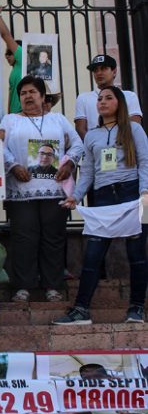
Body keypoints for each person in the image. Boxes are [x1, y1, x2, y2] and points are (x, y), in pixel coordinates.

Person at [53, 86, 148, 324]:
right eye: (99, 99)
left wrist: (145, 193)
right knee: (93, 256)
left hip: (133, 195)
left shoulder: (134, 129)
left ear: (120, 103)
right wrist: (76, 195)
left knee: (136, 255)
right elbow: (87, 173)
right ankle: (81, 310)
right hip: (102, 198)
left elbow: (145, 162)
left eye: (108, 98)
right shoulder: (92, 136)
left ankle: (136, 308)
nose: (102, 102)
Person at [0, 76, 82, 303]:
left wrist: (69, 163)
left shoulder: (58, 119)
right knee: (23, 239)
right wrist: (14, 166)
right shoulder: (9, 120)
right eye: (23, 93)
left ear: (43, 96)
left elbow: (77, 143)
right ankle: (23, 287)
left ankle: (53, 287)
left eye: (32, 92)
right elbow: (0, 147)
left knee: (53, 238)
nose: (27, 96)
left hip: (54, 190)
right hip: (21, 192)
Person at [75, 54, 142, 140]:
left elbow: (135, 127)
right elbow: (80, 129)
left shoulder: (129, 96)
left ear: (114, 72)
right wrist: (95, 146)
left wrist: (117, 146)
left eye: (103, 68)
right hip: (94, 149)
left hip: (123, 147)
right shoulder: (83, 98)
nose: (99, 73)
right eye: (95, 70)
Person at [0, 6, 22, 114]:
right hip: (15, 118)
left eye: (10, 52)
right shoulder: (15, 71)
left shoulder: (23, 57)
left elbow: (6, 35)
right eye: (5, 54)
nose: (7, 56)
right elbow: (11, 97)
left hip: (25, 116)